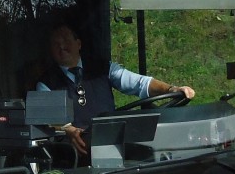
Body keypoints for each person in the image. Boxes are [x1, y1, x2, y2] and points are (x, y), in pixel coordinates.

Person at [36, 22, 194, 161]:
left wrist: (171, 89)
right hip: (78, 153)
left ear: (78, 44)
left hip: (115, 143)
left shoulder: (103, 68)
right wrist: (68, 130)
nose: (61, 46)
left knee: (152, 156)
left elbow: (139, 83)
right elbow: (49, 117)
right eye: (55, 43)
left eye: (65, 39)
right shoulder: (46, 83)